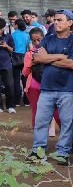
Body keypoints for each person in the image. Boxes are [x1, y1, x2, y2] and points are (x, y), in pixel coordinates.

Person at [30, 10, 73, 166]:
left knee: (67, 122)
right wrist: (61, 57)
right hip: (47, 88)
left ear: (70, 22)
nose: (56, 22)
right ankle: (38, 151)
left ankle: (63, 153)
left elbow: (71, 64)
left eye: (60, 20)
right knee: (41, 121)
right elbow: (37, 58)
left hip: (68, 89)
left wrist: (47, 59)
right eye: (55, 20)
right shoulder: (48, 39)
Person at [11, 19, 30, 106]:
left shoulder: (12, 35)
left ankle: (17, 101)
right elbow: (29, 47)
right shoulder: (27, 35)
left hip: (14, 57)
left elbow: (11, 47)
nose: (13, 25)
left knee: (15, 79)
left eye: (14, 24)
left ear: (17, 25)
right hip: (25, 58)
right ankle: (27, 101)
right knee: (25, 79)